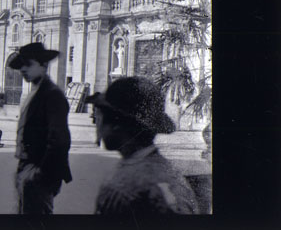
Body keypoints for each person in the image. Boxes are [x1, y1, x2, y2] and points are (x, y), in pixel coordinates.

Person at [85, 77, 198, 214]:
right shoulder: (170, 173)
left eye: (100, 119)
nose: (98, 128)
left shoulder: (124, 185)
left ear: (116, 125)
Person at [8, 42, 72, 214]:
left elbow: (60, 140)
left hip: (37, 170)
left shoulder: (52, 94)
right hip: (26, 166)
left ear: (43, 65)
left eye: (28, 64)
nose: (22, 69)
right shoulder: (35, 92)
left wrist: (42, 173)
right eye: (21, 65)